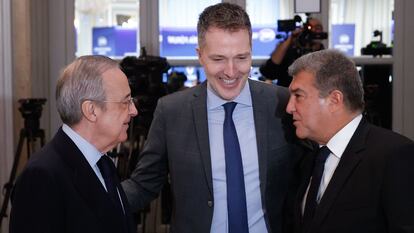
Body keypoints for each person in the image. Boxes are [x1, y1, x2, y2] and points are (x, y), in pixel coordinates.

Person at [122, 3, 302, 233]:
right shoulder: (171, 111)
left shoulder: (283, 102)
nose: (231, 71)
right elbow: (143, 184)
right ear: (200, 56)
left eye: (241, 57)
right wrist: (92, 201)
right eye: (218, 59)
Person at [286, 49, 414, 233]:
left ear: (334, 99)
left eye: (298, 96)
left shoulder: (395, 156)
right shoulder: (309, 158)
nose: (289, 107)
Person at [9, 55, 138, 233]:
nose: (134, 110)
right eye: (126, 102)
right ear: (91, 110)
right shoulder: (41, 176)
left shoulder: (103, 163)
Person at [260, 18, 325, 87]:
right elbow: (269, 71)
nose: (313, 30)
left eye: (317, 28)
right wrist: (290, 38)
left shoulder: (323, 54)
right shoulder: (289, 49)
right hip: (286, 92)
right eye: (309, 27)